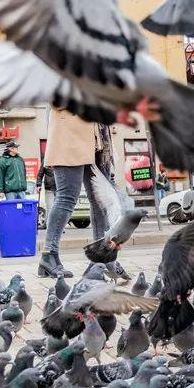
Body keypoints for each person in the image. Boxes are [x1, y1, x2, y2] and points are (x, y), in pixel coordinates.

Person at [38, 108, 109, 278]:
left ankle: (99, 259)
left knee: (100, 199)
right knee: (66, 198)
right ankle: (49, 255)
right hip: (68, 139)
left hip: (96, 140)